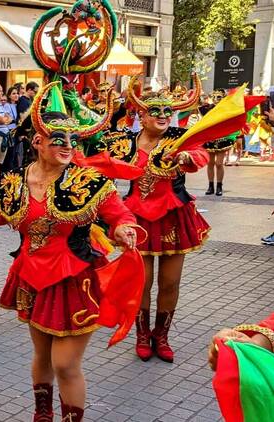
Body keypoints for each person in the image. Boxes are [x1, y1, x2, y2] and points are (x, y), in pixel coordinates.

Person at [0, 81, 138, 422]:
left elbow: (115, 210)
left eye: (72, 139)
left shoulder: (86, 180)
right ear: (37, 141)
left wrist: (123, 227)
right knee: (42, 355)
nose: (67, 146)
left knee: (66, 363)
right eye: (58, 139)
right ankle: (43, 415)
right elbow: (2, 213)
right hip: (31, 275)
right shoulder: (16, 179)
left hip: (74, 277)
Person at [112, 75, 215, 363]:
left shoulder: (179, 138)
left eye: (167, 111)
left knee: (170, 283)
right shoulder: (126, 143)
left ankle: (162, 335)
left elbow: (199, 153)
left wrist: (185, 159)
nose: (162, 116)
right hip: (138, 219)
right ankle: (142, 335)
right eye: (154, 111)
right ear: (141, 116)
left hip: (173, 216)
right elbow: (104, 161)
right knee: (142, 283)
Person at [201, 89, 233, 196]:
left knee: (219, 163)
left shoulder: (227, 110)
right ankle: (210, 186)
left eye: (218, 97)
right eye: (214, 97)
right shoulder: (208, 109)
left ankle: (219, 186)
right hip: (210, 138)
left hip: (222, 138)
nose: (216, 99)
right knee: (210, 163)